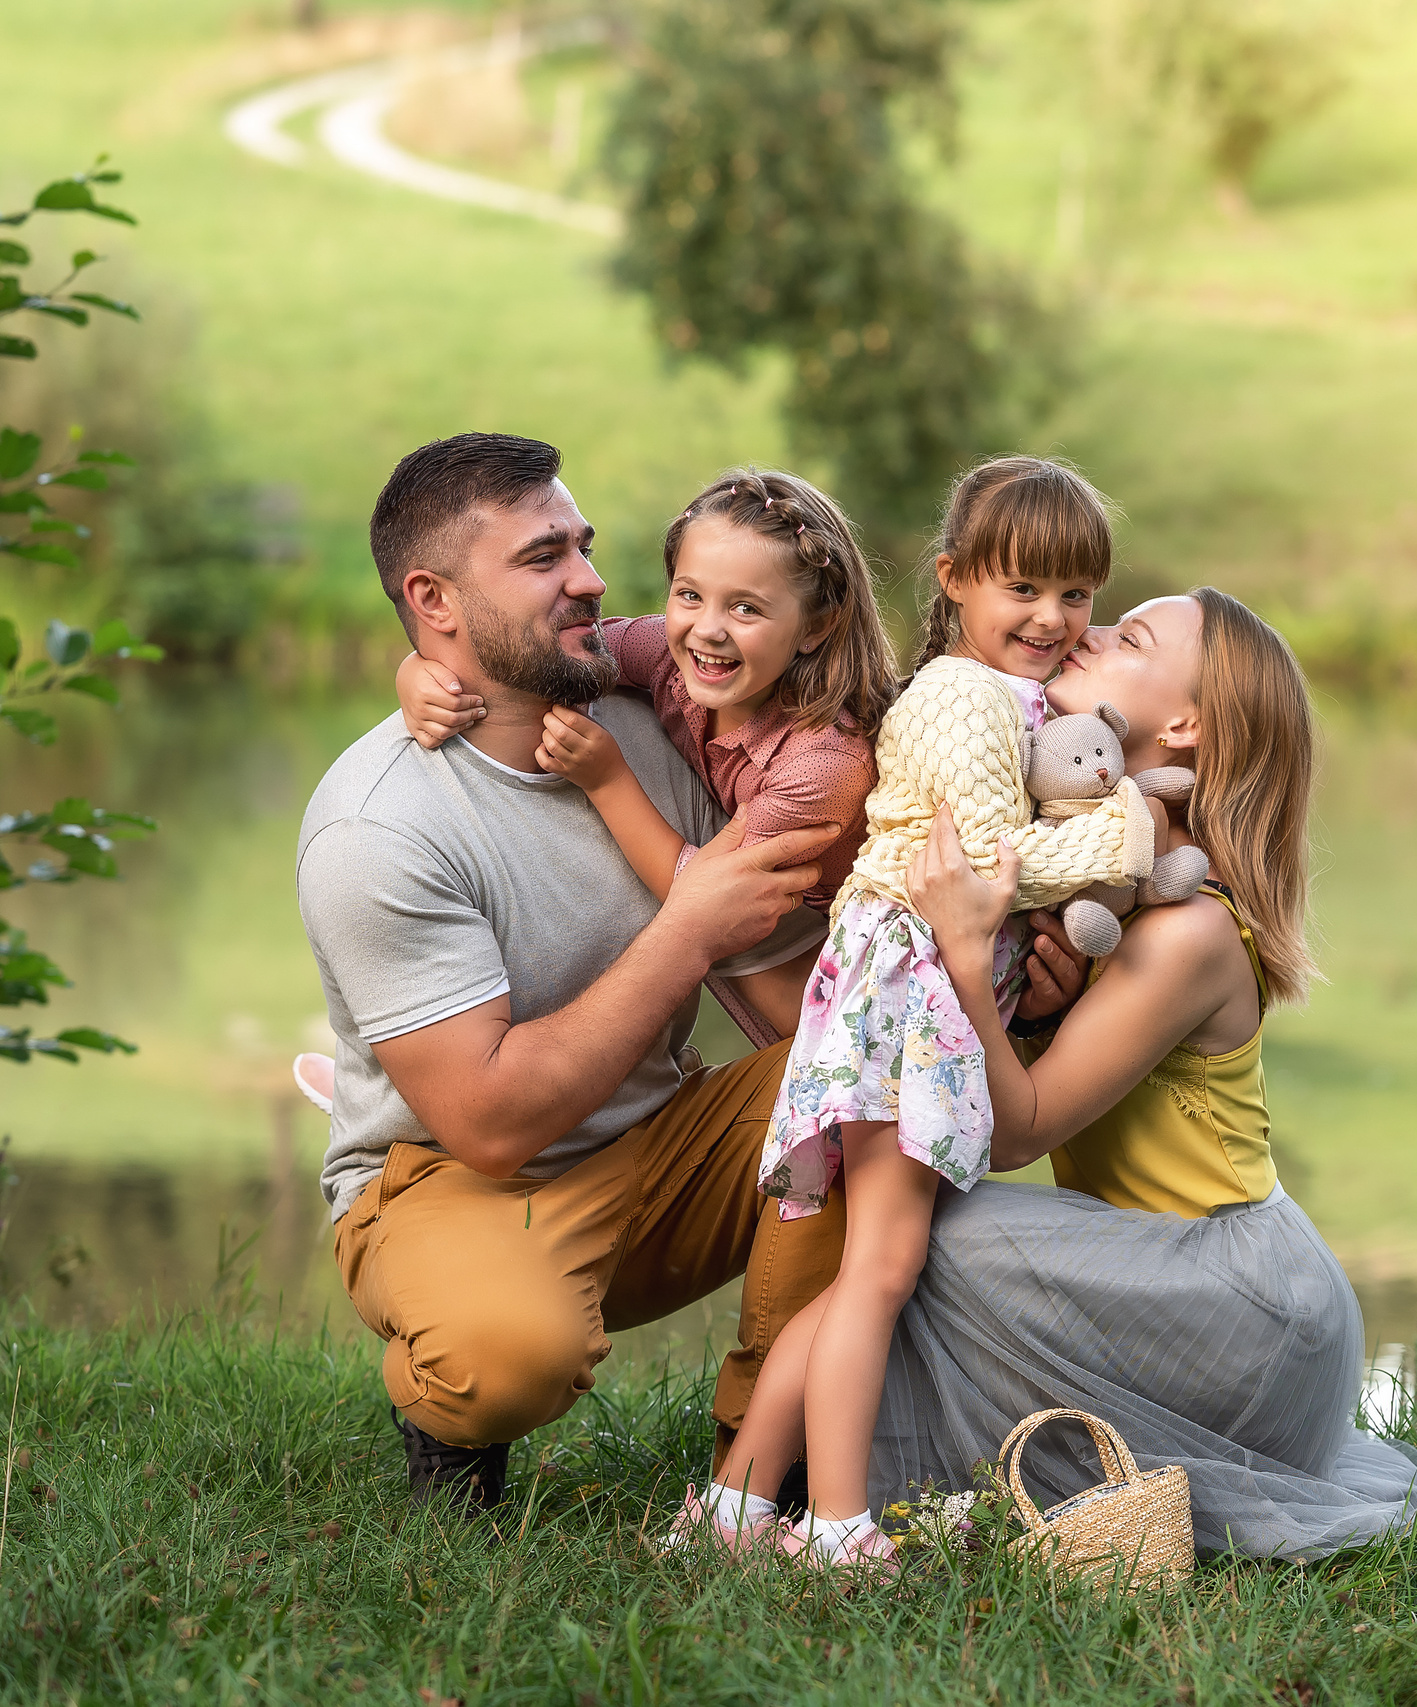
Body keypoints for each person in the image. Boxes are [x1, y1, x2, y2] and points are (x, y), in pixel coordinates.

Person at [294, 433, 848, 1513]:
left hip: (658, 1148)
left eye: (584, 547)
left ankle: (767, 1456)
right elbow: (490, 1125)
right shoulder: (378, 827)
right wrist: (688, 926)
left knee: (864, 1084)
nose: (592, 579)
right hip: (451, 1181)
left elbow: (797, 1010)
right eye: (546, 557)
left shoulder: (656, 731)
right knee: (504, 1356)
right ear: (434, 600)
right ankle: (451, 1422)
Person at [887, 587, 1417, 1559]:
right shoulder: (1117, 890)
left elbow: (1022, 1127)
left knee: (934, 1229)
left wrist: (962, 950)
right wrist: (1035, 1006)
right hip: (1170, 1274)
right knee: (907, 1206)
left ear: (1184, 724)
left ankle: (895, 1481)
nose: (1091, 630)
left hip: (1243, 1310)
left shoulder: (1188, 929)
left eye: (1131, 636)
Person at [693, 457, 1159, 1571]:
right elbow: (986, 868)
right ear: (953, 579)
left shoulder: (1008, 698)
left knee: (872, 1265)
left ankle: (733, 1508)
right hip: (907, 992)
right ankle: (839, 1523)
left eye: (1076, 595)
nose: (1052, 618)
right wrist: (1128, 837)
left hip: (913, 994)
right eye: (1023, 589)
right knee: (883, 1272)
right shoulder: (959, 697)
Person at [384, 467, 897, 1047]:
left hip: (879, 999)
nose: (708, 630)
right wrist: (418, 668)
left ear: (816, 626)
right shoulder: (668, 658)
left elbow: (711, 904)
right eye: (689, 595)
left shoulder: (824, 764)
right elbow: (560, 655)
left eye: (747, 609)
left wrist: (608, 781)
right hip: (797, 989)